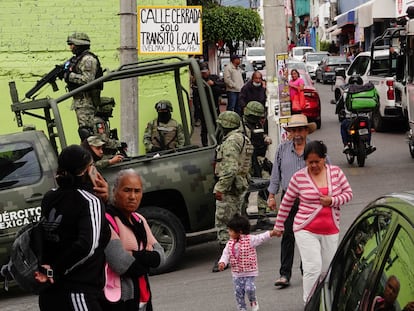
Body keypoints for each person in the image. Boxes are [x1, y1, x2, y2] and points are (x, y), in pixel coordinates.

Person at [273, 140, 353, 304]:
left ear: (324, 158)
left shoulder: (336, 173)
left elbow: (348, 194)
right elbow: (287, 202)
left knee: (327, 270)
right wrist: (279, 225)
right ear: (305, 162)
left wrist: (332, 200)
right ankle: (309, 303)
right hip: (305, 228)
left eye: (317, 161)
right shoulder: (298, 177)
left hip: (331, 229)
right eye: (310, 162)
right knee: (313, 268)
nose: (314, 165)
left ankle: (325, 301)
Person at [34, 145, 111, 311]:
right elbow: (87, 246)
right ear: (85, 171)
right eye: (92, 166)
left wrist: (51, 271)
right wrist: (55, 270)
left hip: (50, 294)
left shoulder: (50, 197)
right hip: (78, 294)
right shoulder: (89, 202)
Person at [267, 114, 319, 289]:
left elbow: (328, 170)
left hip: (310, 200)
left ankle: (308, 271)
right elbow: (276, 174)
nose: (297, 134)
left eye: (300, 130)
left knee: (309, 236)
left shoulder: (315, 149)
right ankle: (284, 274)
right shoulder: (282, 149)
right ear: (289, 132)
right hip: (289, 199)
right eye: (293, 130)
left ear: (306, 131)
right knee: (287, 236)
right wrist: (271, 195)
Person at [103, 169, 165, 311]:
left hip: (143, 296)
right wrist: (147, 257)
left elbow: (161, 257)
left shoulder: (139, 219)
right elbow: (121, 264)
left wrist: (133, 254)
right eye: (127, 190)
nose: (132, 196)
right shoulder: (107, 221)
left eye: (137, 191)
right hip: (120, 300)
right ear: (115, 191)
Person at [212, 111, 253, 272]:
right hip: (240, 184)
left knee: (223, 222)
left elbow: (230, 169)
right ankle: (241, 254)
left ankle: (225, 257)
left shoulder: (230, 142)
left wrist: (220, 188)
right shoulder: (244, 138)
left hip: (230, 188)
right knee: (238, 221)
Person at [217, 214, 278, 311]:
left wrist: (271, 233)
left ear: (239, 232)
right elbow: (226, 254)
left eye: (231, 230)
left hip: (249, 271)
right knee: (238, 292)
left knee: (250, 288)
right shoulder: (230, 243)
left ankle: (253, 300)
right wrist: (222, 262)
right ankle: (242, 308)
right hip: (237, 273)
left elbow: (260, 237)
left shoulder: (250, 240)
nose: (229, 233)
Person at [64, 32, 103, 139]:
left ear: (79, 44)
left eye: (72, 44)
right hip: (80, 101)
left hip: (86, 101)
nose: (70, 47)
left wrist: (69, 76)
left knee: (87, 132)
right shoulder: (77, 59)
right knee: (84, 131)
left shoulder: (88, 60)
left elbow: (88, 80)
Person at [241, 101, 273, 230]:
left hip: (260, 160)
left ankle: (262, 216)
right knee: (245, 190)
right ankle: (243, 219)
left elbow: (259, 135)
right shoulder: (242, 127)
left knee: (264, 186)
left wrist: (265, 138)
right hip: (247, 162)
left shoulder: (258, 123)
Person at [192, 62, 225, 146]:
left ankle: (218, 142)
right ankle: (205, 144)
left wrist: (213, 84)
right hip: (203, 107)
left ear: (209, 71)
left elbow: (222, 86)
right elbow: (195, 95)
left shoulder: (214, 78)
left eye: (206, 72)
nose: (205, 74)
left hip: (214, 106)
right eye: (203, 72)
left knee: (217, 125)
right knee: (204, 127)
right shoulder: (198, 81)